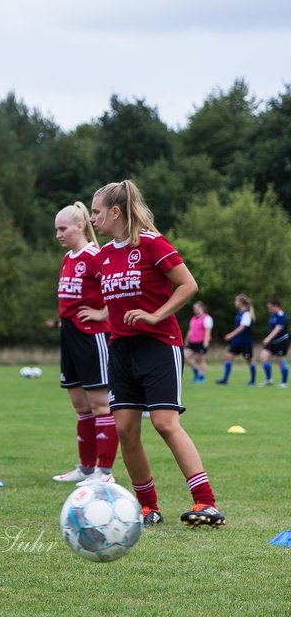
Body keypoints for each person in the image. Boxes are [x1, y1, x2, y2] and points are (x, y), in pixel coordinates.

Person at [85, 179, 224, 527]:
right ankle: (148, 507)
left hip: (159, 346)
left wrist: (155, 315)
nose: (92, 218)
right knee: (126, 429)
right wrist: (103, 314)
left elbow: (188, 284)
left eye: (97, 211)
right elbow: (116, 299)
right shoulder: (102, 256)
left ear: (116, 211)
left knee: (164, 423)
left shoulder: (151, 244)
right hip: (120, 351)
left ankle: (206, 502)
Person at [49, 202, 118, 486]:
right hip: (70, 335)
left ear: (80, 226)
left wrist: (102, 313)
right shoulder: (69, 258)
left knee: (101, 405)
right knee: (80, 406)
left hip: (92, 337)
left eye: (62, 228)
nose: (58, 234)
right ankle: (86, 468)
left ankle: (105, 472)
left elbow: (114, 287)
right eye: (56, 229)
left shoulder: (95, 256)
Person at [215, 294, 255, 386]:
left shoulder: (247, 314)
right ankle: (225, 379)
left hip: (245, 342)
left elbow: (242, 327)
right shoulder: (239, 314)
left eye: (236, 301)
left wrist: (231, 335)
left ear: (241, 302)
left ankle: (252, 381)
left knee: (249, 360)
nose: (235, 303)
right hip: (237, 341)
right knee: (228, 356)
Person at [259, 297, 289, 387]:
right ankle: (269, 380)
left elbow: (278, 329)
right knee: (263, 356)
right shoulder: (273, 315)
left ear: (276, 306)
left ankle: (284, 382)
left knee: (280, 360)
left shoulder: (281, 316)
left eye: (270, 307)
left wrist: (268, 338)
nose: (269, 309)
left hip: (281, 342)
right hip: (272, 342)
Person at [184, 301, 213, 383]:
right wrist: (187, 340)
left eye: (196, 308)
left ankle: (201, 377)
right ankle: (196, 371)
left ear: (201, 308)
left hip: (201, 342)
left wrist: (206, 341)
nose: (195, 310)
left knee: (201, 360)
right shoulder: (193, 318)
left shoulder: (207, 318)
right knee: (185, 356)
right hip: (192, 342)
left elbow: (208, 331)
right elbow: (190, 330)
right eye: (194, 308)